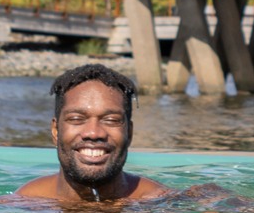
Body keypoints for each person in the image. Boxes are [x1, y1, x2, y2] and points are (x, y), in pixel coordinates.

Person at [18, 62, 171, 205]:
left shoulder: (161, 205)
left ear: (129, 132)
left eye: (111, 120)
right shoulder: (24, 204)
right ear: (55, 130)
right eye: (76, 119)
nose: (93, 133)